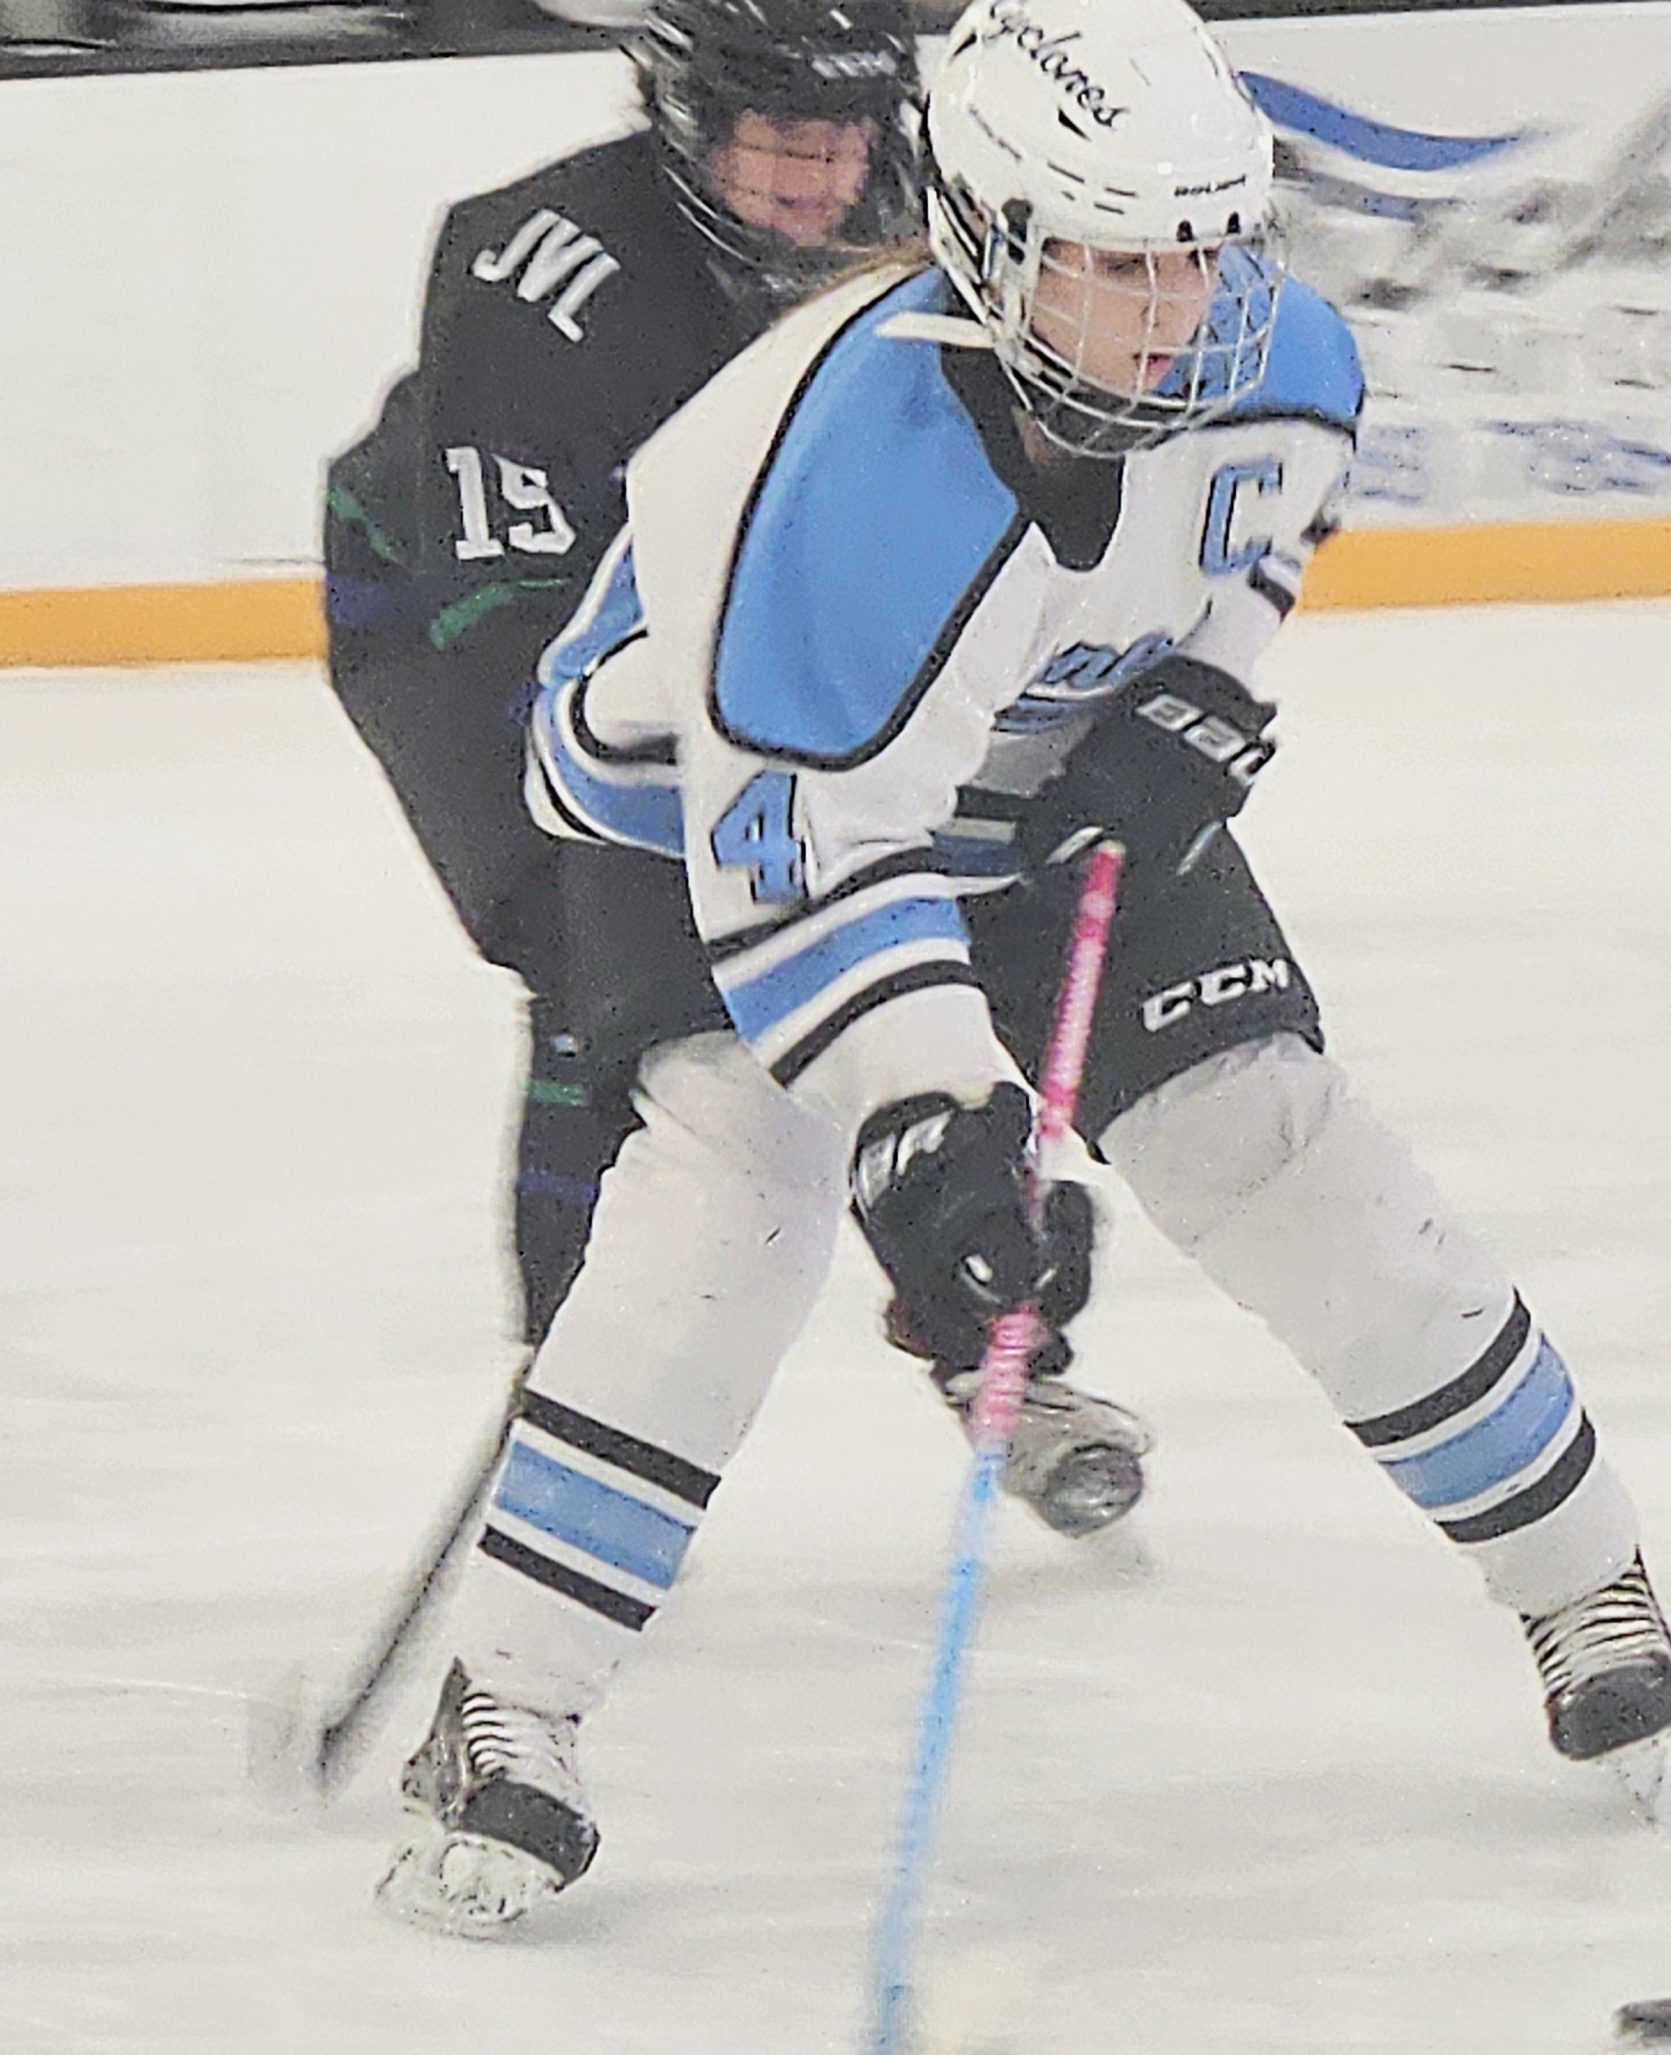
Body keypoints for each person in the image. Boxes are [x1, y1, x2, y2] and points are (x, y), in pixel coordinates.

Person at [378, 0, 1671, 1939]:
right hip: (706, 809)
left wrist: (1197, 715)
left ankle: (1584, 1575)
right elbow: (815, 857)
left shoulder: (1285, 359)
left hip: (1039, 768)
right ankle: (512, 1702)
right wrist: (936, 1119)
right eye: (1114, 258)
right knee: (738, 1183)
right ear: (992, 242)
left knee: (1274, 1140)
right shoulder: (807, 474)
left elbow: (1243, 556)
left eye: (1199, 250)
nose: (1174, 310)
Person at [320, 0, 1151, 1534]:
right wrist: (705, 823)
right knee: (607, 973)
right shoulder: (533, 266)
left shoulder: (946, 238)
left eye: (838, 137)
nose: (808, 183)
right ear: (683, 113)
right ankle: (576, 1394)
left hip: (766, 629)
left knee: (904, 942)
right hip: (466, 630)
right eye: (772, 137)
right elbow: (518, 623)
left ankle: (997, 1353)